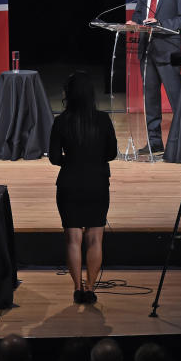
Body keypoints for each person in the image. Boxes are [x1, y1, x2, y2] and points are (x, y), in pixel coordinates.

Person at [49, 72, 119, 304]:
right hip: (97, 182)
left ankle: (77, 288)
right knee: (96, 238)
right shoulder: (103, 120)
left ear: (68, 95)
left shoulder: (61, 121)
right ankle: (90, 289)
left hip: (69, 182)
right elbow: (112, 153)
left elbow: (54, 158)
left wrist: (73, 160)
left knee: (73, 238)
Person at [126, 0, 181, 155]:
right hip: (146, 49)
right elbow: (139, 12)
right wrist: (133, 23)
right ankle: (154, 143)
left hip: (168, 51)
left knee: (177, 99)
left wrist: (160, 23)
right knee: (151, 100)